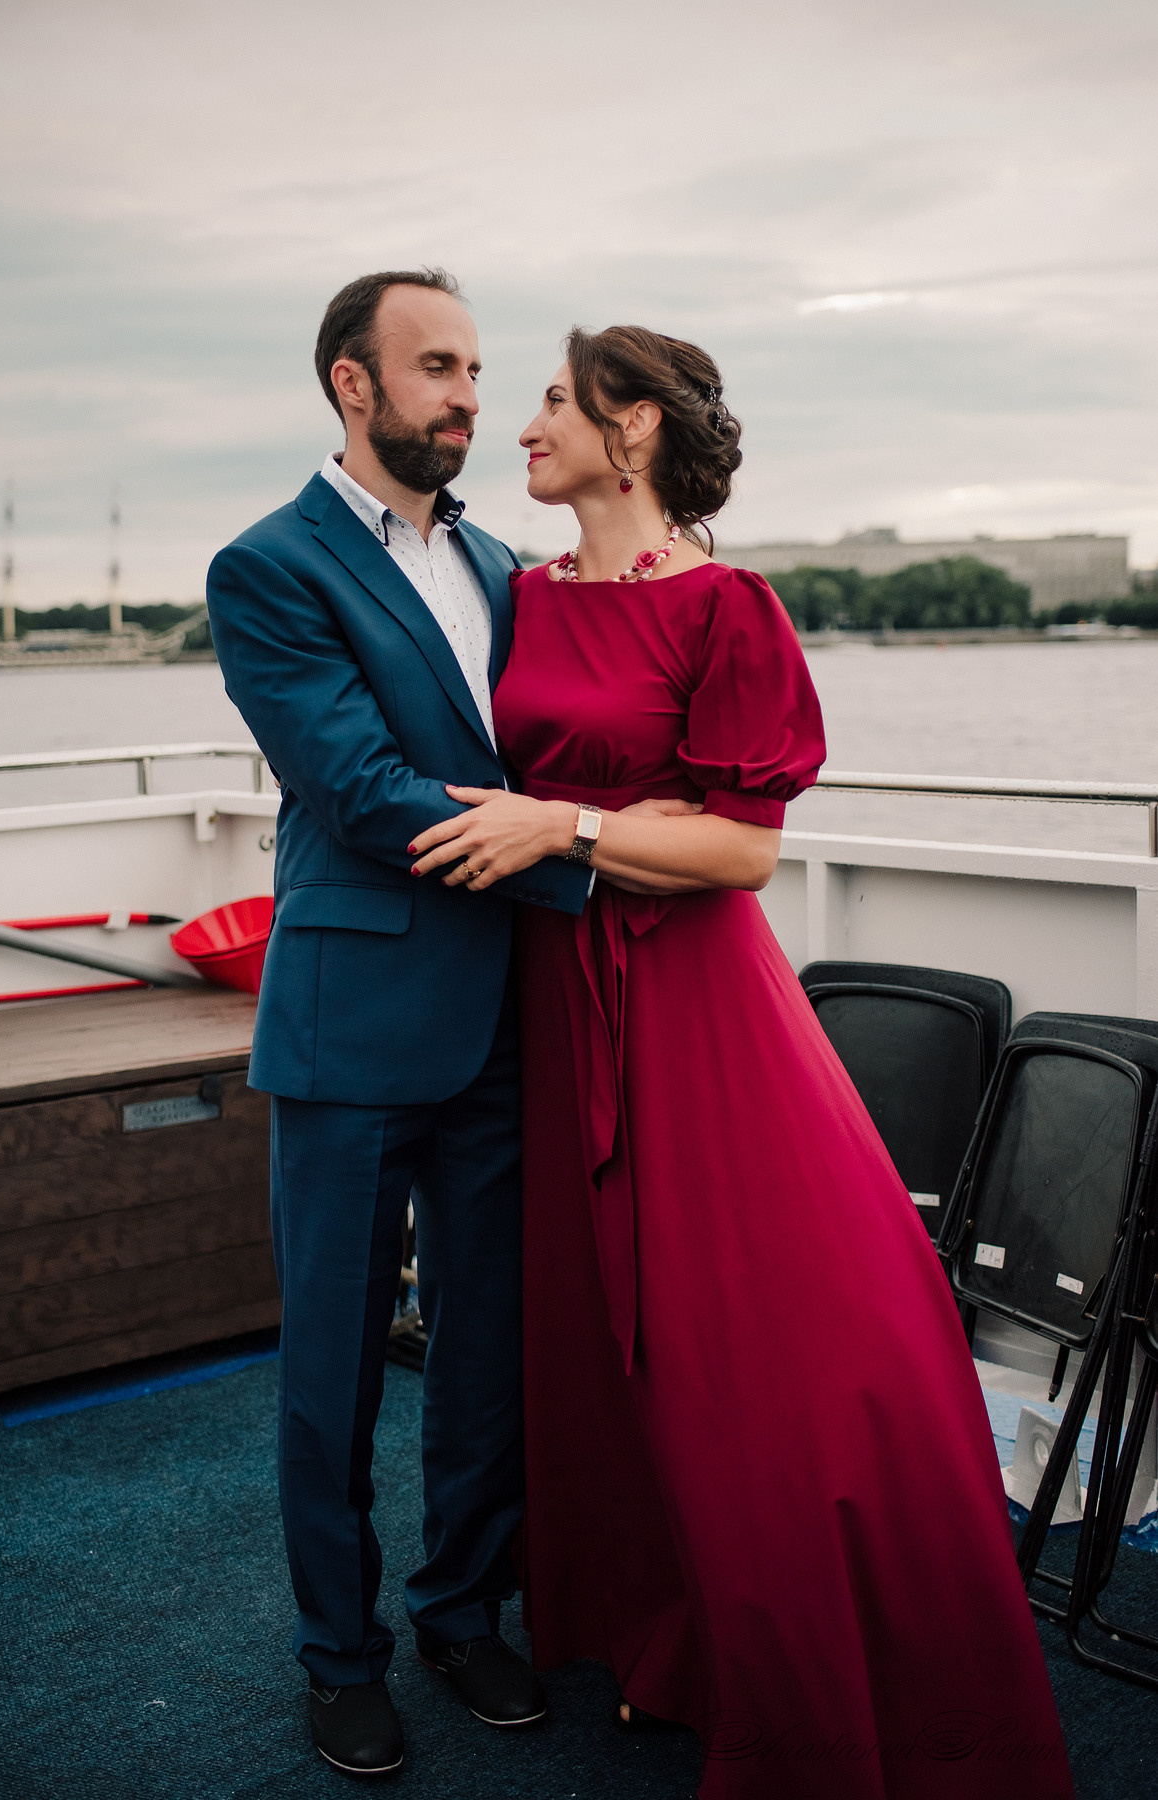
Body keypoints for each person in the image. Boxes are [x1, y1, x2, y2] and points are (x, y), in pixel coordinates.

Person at [407, 325, 1077, 1799]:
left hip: (692, 1008)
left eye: (550, 405)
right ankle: (664, 1639)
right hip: (549, 998)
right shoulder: (520, 598)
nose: (521, 428)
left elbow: (743, 847)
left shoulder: (725, 606)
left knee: (743, 1344)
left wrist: (561, 827)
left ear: (630, 428)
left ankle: (806, 1665)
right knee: (595, 1335)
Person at [205, 269, 592, 1778]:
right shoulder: (269, 566)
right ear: (350, 384)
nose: (471, 398)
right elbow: (359, 792)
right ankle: (337, 1654)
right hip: (356, 1024)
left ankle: (460, 1611)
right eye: (437, 366)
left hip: (504, 1016)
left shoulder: (502, 560)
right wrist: (578, 845)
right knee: (336, 1367)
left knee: (486, 1347)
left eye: (479, 370)